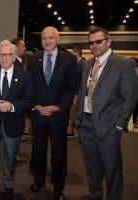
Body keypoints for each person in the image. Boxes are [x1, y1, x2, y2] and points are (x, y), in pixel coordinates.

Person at [75, 26, 138, 200]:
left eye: (98, 41)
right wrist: (79, 120)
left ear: (108, 41)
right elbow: (83, 93)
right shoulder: (87, 64)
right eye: (90, 42)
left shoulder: (124, 64)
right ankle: (95, 196)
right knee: (92, 169)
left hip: (108, 128)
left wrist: (118, 125)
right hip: (86, 125)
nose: (94, 45)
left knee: (112, 171)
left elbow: (130, 98)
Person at [27, 26, 78, 200]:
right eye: (44, 38)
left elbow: (72, 88)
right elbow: (29, 87)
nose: (47, 41)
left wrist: (57, 106)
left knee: (59, 153)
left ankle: (58, 188)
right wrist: (35, 105)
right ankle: (38, 182)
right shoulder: (33, 59)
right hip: (38, 113)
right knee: (38, 151)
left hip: (58, 115)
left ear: (58, 39)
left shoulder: (69, 59)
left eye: (50, 38)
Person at [0, 39, 32, 200]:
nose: (4, 58)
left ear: (14, 55)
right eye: (1, 55)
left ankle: (9, 186)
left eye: (8, 55)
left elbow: (29, 99)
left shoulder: (25, 75)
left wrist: (13, 106)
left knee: (10, 158)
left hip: (13, 124)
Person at [67, 47, 86, 137]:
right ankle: (70, 129)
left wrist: (80, 92)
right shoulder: (73, 63)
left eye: (72, 53)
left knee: (74, 111)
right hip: (71, 91)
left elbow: (83, 80)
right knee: (71, 111)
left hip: (77, 92)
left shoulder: (83, 64)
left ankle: (71, 130)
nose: (71, 54)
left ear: (77, 53)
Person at [130, 57, 138, 128]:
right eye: (130, 61)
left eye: (133, 62)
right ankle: (124, 124)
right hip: (128, 93)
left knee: (136, 108)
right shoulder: (125, 69)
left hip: (136, 92)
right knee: (127, 108)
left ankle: (135, 122)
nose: (132, 63)